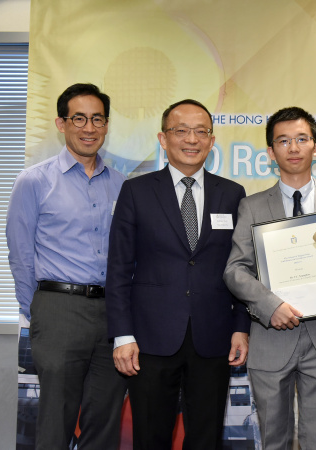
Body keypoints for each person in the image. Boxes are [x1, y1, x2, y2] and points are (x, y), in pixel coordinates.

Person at [106, 99, 250, 449]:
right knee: (151, 436)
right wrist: (122, 335)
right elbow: (119, 268)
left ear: (212, 141)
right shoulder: (136, 190)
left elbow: (244, 266)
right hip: (150, 338)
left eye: (201, 131)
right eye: (181, 130)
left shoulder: (232, 194)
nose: (191, 139)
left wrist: (241, 327)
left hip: (213, 336)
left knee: (205, 437)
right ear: (163, 138)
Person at [223, 106, 316, 449]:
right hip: (271, 337)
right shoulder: (252, 206)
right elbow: (235, 270)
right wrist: (271, 305)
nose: (294, 148)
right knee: (273, 441)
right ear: (271, 151)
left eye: (302, 139)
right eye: (283, 141)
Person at [6, 83, 126, 450]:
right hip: (58, 309)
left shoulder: (123, 185)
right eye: (79, 118)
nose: (89, 128)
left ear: (106, 126)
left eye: (97, 119)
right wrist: (39, 311)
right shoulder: (34, 181)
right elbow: (20, 253)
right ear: (61, 123)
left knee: (105, 418)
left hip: (113, 314)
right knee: (56, 419)